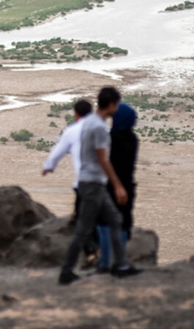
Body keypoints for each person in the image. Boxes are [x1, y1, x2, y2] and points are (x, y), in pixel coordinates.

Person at [59, 86, 140, 284]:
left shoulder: (97, 128)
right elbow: (103, 160)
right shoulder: (117, 135)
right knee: (93, 227)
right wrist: (118, 185)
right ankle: (70, 271)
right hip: (101, 184)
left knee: (108, 221)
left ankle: (113, 265)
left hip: (96, 183)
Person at [96, 101, 139, 273]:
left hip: (110, 186)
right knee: (123, 223)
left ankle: (105, 263)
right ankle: (120, 263)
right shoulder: (133, 140)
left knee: (104, 223)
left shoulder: (110, 139)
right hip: (127, 186)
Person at [42, 99, 94, 226]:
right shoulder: (103, 130)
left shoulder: (72, 131)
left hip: (83, 182)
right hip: (104, 182)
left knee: (81, 219)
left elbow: (58, 152)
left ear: (76, 114)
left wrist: (49, 166)